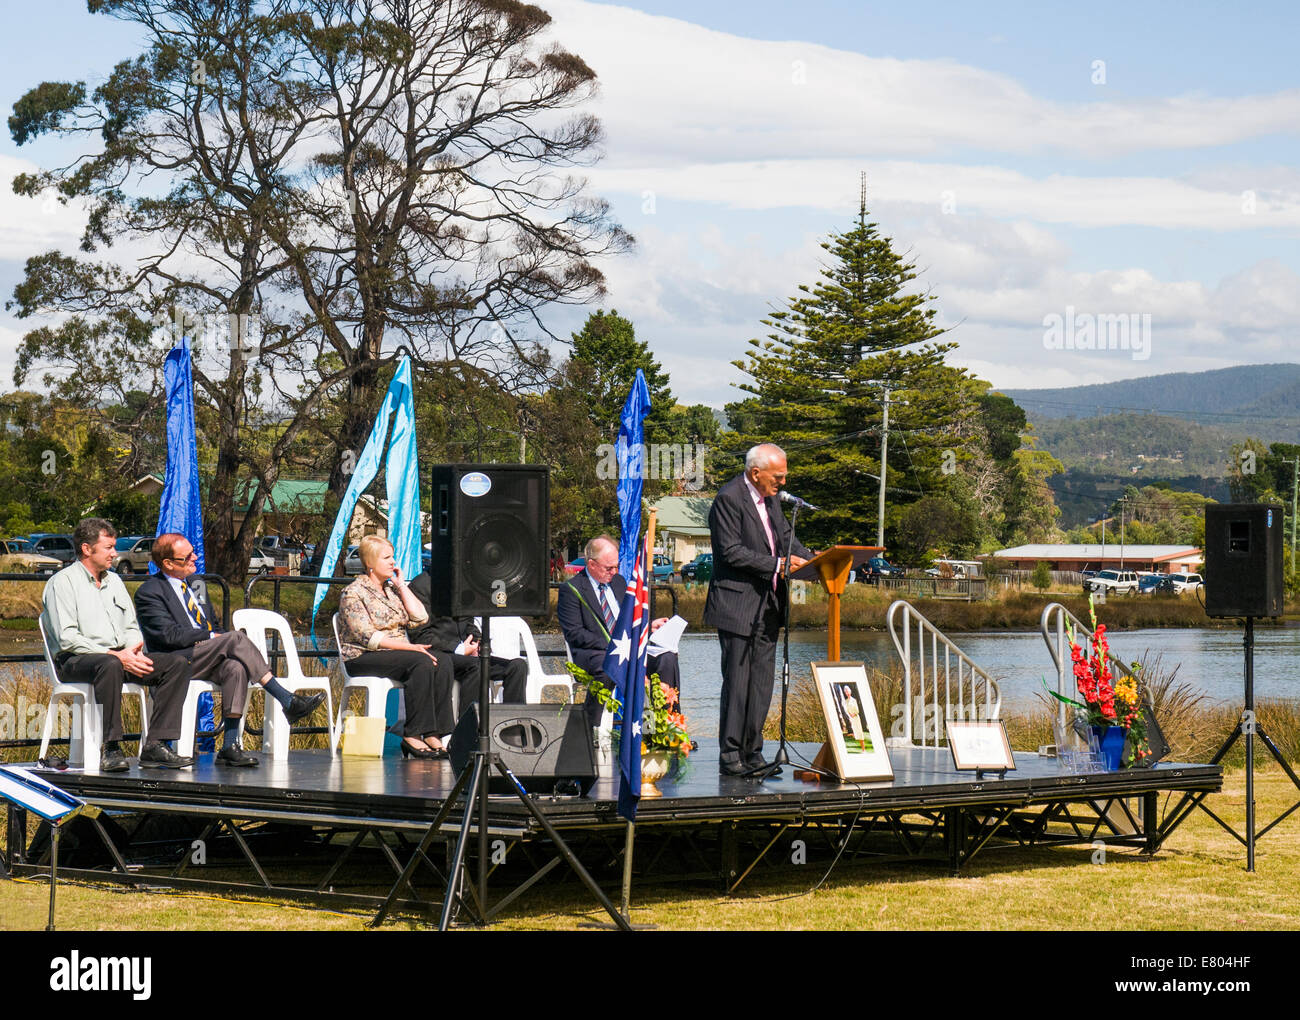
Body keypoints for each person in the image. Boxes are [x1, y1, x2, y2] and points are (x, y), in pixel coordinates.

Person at [133, 533, 326, 767]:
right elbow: (167, 636)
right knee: (234, 639)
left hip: (208, 654)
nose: (195, 558)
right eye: (187, 556)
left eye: (193, 551)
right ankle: (286, 699)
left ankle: (230, 745)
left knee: (236, 666)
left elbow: (214, 624)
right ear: (168, 563)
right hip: (177, 660)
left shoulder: (197, 584)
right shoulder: (150, 591)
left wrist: (215, 636)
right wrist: (211, 637)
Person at [40, 518, 193, 772]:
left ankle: (156, 744)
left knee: (176, 663)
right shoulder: (62, 583)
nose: (115, 553)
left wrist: (133, 652)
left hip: (119, 657)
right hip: (76, 660)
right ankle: (111, 748)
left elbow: (131, 626)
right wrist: (117, 655)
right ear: (87, 549)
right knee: (109, 664)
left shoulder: (115, 581)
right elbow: (67, 638)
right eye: (108, 547)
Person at [704, 444, 813, 777]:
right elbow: (730, 552)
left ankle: (753, 752)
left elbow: (786, 539)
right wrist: (777, 564)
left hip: (768, 607)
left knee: (762, 685)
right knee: (737, 682)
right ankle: (730, 755)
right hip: (737, 605)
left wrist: (812, 560)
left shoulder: (772, 501)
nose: (782, 482)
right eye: (777, 476)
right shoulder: (728, 499)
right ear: (756, 473)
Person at [335, 535, 456, 758]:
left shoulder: (391, 591)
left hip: (395, 653)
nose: (393, 562)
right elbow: (367, 637)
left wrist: (402, 587)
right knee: (420, 661)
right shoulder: (353, 593)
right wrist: (411, 648)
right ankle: (412, 735)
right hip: (363, 656)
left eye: (393, 557)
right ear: (370, 563)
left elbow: (420, 618)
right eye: (386, 558)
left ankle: (434, 733)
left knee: (443, 660)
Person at [557, 535, 680, 726]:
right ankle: (591, 727)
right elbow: (575, 634)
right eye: (609, 568)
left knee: (667, 658)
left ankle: (665, 725)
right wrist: (615, 643)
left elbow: (631, 622)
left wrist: (649, 627)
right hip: (595, 652)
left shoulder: (619, 582)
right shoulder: (571, 590)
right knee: (608, 669)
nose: (614, 571)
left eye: (616, 566)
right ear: (591, 564)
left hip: (629, 648)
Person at [405, 569, 528, 705]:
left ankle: (513, 722)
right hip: (440, 655)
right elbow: (420, 636)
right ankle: (470, 724)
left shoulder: (463, 583)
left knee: (518, 666)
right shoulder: (421, 585)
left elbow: (469, 622)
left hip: (467, 654)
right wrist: (458, 649)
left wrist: (478, 643)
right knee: (474, 666)